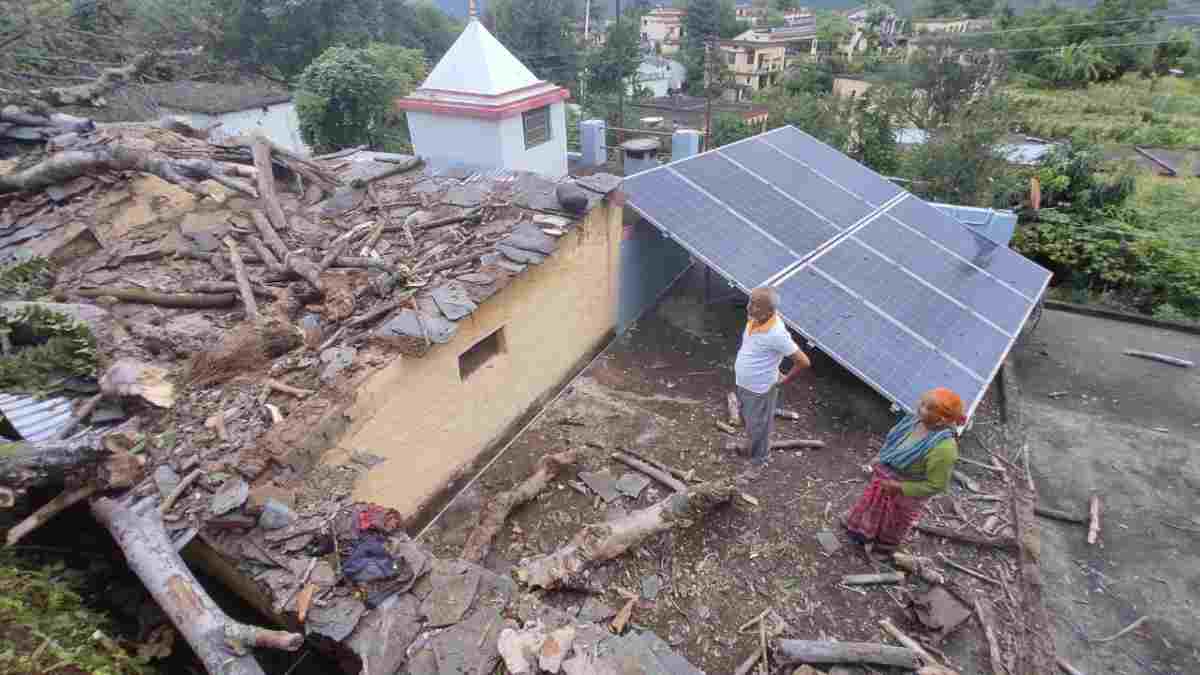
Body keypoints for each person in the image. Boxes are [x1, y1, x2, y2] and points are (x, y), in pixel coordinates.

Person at [843, 387, 965, 554]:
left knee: (893, 521)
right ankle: (860, 530)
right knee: (871, 505)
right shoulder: (913, 421)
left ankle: (884, 546)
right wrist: (879, 459)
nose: (918, 407)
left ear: (941, 420)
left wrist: (898, 486)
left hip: (907, 493)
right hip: (886, 479)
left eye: (926, 407)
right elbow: (893, 444)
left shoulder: (945, 448)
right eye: (922, 402)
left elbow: (936, 485)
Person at [734, 287, 811, 465]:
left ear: (770, 311)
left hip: (760, 389)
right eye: (750, 302)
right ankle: (750, 446)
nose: (749, 308)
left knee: (759, 426)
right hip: (745, 384)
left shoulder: (777, 334)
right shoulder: (754, 319)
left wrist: (784, 379)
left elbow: (803, 361)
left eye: (756, 306)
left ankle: (759, 461)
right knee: (749, 419)